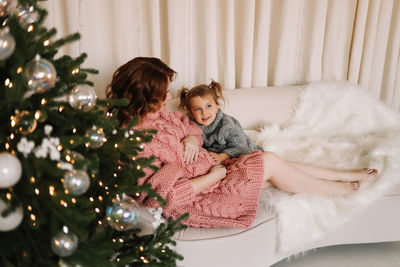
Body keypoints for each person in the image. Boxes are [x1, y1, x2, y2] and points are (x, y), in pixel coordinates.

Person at [106, 57, 378, 228]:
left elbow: (193, 128)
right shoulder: (135, 144)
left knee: (272, 168)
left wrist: (190, 137)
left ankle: (347, 176)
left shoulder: (160, 115)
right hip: (206, 193)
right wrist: (215, 175)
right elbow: (165, 199)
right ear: (146, 97)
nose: (168, 97)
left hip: (216, 171)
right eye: (163, 93)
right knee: (269, 163)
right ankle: (347, 190)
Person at [179, 80, 262, 164]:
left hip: (241, 150)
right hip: (214, 157)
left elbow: (242, 148)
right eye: (198, 109)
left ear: (217, 107)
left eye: (208, 106)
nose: (204, 112)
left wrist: (223, 156)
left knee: (245, 162)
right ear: (191, 113)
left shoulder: (227, 125)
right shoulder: (191, 124)